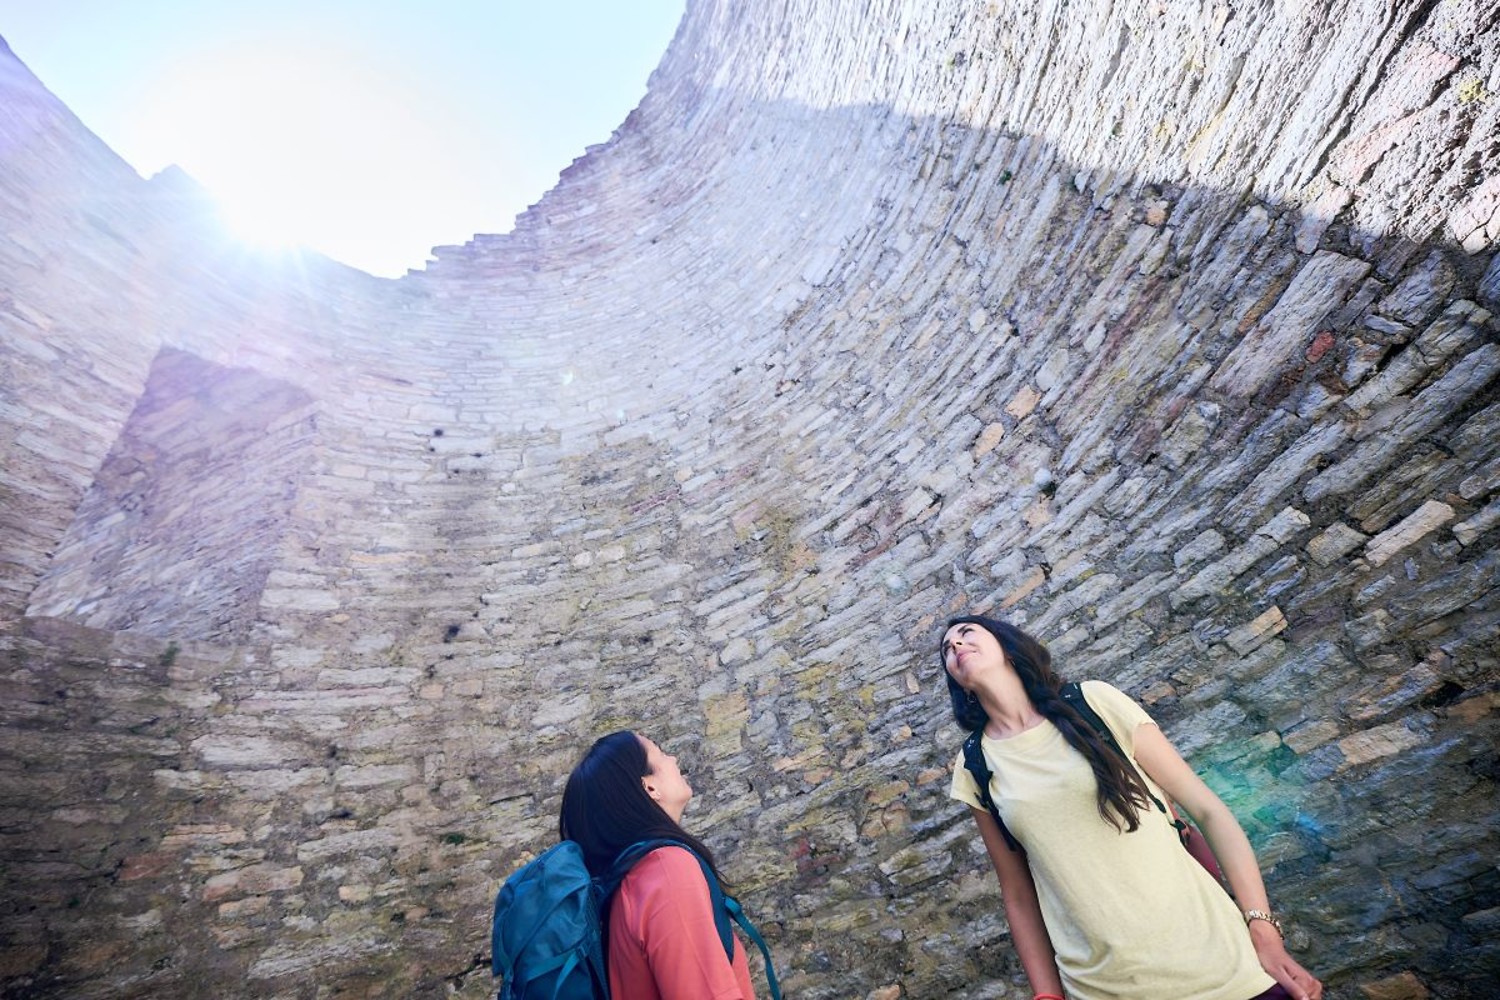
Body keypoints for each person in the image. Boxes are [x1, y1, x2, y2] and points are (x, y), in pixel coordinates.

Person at [941, 614, 1323, 1000]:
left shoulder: (1094, 703)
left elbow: (1207, 810)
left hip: (1224, 967)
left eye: (967, 633)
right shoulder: (974, 763)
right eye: (947, 648)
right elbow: (1019, 892)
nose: (955, 645)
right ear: (957, 682)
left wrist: (1262, 926)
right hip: (1104, 988)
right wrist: (1047, 995)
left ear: (1007, 647)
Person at [559, 730, 760, 1000]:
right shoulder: (667, 872)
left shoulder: (636, 879)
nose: (673, 758)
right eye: (661, 753)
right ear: (649, 787)